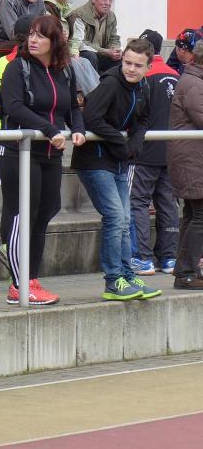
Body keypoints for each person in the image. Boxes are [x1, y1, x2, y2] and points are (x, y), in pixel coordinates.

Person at [0, 15, 85, 305]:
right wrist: (49, 129)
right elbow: (14, 107)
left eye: (41, 36)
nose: (33, 40)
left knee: (45, 211)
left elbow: (72, 107)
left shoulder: (65, 71)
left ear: (55, 42)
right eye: (31, 34)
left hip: (50, 154)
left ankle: (31, 279)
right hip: (20, 153)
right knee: (22, 214)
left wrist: (79, 129)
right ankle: (18, 285)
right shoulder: (17, 67)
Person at [71, 39, 162, 301]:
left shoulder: (143, 86)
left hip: (119, 160)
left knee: (125, 219)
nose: (131, 69)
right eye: (127, 63)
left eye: (138, 65)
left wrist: (135, 142)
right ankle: (114, 281)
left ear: (148, 67)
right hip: (95, 160)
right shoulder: (111, 83)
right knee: (115, 217)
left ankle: (127, 276)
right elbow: (91, 117)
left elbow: (144, 119)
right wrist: (120, 143)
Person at [128, 30, 179, 276]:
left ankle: (142, 258)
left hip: (145, 150)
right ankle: (169, 258)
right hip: (171, 149)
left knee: (137, 201)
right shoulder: (175, 75)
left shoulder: (144, 75)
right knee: (167, 203)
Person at [168, 42, 203, 290]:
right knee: (199, 216)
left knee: (193, 215)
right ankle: (187, 273)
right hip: (192, 160)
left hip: (191, 158)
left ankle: (185, 270)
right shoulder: (194, 83)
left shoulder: (192, 79)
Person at [42, 0, 99, 96]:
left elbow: (76, 36)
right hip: (52, 50)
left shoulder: (71, 10)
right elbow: (47, 33)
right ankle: (94, 98)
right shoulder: (45, 8)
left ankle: (101, 94)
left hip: (66, 50)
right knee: (76, 64)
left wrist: (74, 52)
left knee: (86, 61)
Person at [71, 0, 121, 73]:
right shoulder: (80, 14)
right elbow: (82, 43)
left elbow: (114, 38)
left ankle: (111, 81)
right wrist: (106, 51)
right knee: (91, 56)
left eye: (110, 0)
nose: (108, 3)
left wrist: (115, 50)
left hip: (103, 53)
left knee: (120, 59)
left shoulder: (111, 16)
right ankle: (95, 82)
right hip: (83, 52)